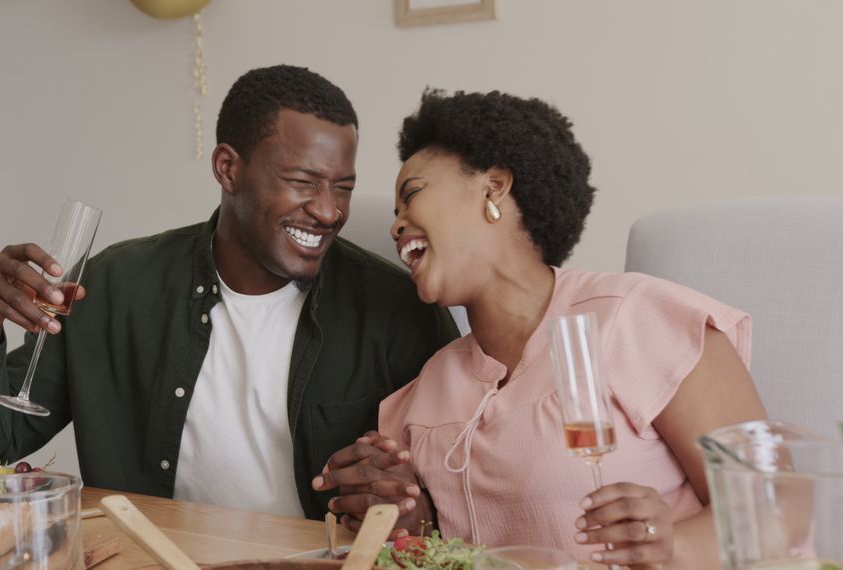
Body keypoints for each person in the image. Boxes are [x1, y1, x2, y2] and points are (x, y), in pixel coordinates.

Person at [0, 65, 459, 520]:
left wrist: (407, 502)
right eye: (303, 181)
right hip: (150, 557)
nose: (329, 211)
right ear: (228, 168)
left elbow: (451, 502)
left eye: (342, 187)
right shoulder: (114, 286)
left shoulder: (398, 310)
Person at [312, 89, 767, 568]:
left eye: (413, 195)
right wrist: (405, 518)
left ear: (494, 187)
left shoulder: (640, 320)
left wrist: (671, 543)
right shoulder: (426, 391)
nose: (396, 227)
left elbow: (781, 509)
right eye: (395, 214)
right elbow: (440, 551)